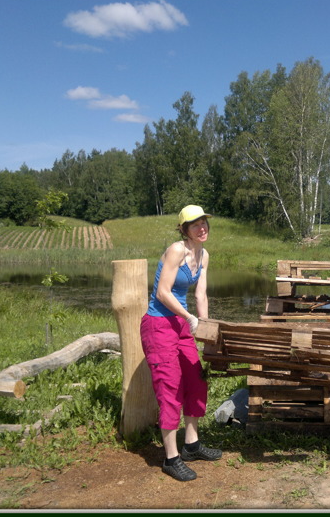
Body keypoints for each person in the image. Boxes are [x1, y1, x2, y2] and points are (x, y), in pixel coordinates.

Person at [140, 204, 223, 481]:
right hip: (159, 325)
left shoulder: (204, 254)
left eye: (204, 223)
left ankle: (192, 445)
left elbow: (201, 294)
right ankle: (171, 458)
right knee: (170, 386)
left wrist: (205, 325)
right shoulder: (177, 250)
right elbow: (163, 293)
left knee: (196, 379)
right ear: (184, 229)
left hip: (182, 325)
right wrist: (189, 317)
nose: (202, 228)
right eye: (195, 224)